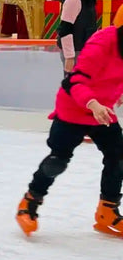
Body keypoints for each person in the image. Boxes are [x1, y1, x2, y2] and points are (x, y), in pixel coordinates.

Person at [16, 21, 123, 238]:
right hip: (74, 107)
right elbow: (75, 81)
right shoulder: (103, 42)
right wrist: (92, 104)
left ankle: (107, 210)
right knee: (58, 160)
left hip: (103, 110)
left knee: (118, 156)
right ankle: (29, 203)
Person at [57, 0, 102, 73]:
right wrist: (69, 56)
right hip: (75, 51)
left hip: (85, 49)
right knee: (74, 86)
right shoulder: (74, 0)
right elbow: (65, 29)